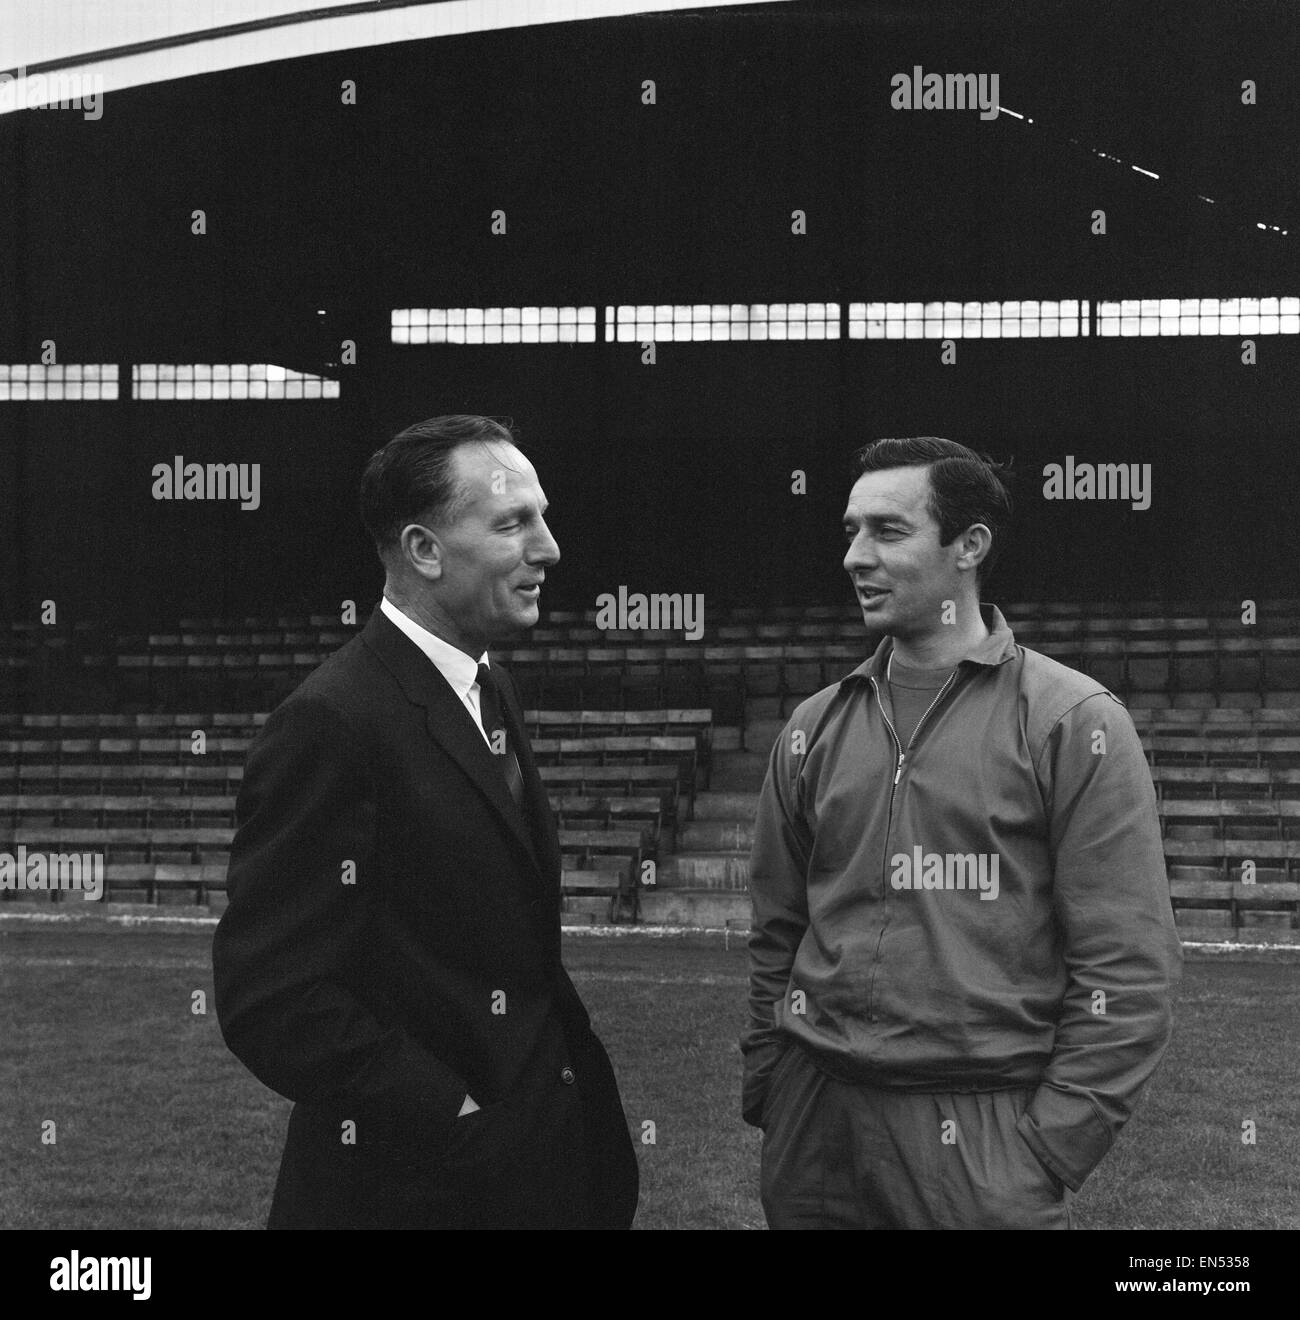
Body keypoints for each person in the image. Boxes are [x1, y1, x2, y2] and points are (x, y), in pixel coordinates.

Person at [742, 435, 1181, 1229]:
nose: (855, 557)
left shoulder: (1073, 722)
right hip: (815, 1123)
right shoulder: (813, 727)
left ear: (969, 546)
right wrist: (773, 1085)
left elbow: (1128, 969)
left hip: (977, 1138)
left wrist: (1047, 1151)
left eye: (888, 531)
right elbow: (777, 930)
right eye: (850, 531)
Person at [212, 414, 638, 1229]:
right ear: (424, 551)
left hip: (531, 1168)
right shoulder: (332, 723)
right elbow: (272, 997)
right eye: (515, 523)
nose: (548, 548)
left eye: (541, 519)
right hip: (410, 1193)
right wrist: (454, 1115)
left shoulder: (488, 688)